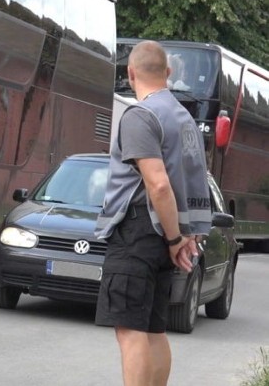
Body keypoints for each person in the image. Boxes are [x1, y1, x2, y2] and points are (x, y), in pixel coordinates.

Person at [94, 40, 212, 386]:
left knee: (130, 331)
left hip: (138, 231)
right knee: (155, 329)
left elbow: (158, 185)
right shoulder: (184, 118)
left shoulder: (140, 115)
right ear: (169, 73)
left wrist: (175, 238)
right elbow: (191, 181)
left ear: (130, 74)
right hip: (166, 235)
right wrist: (183, 236)